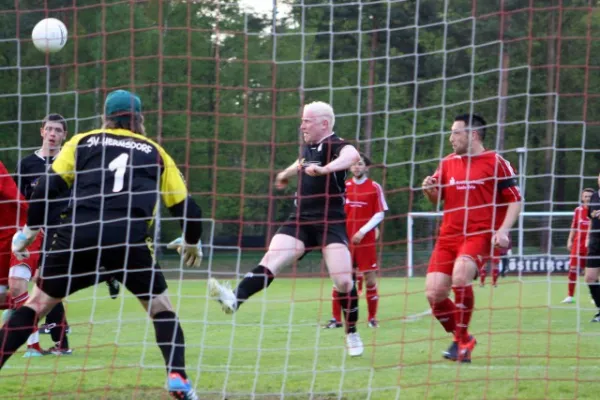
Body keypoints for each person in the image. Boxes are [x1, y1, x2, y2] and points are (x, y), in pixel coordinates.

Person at [1, 90, 203, 400]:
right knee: (161, 309)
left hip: (78, 236)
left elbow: (45, 189)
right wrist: (192, 242)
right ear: (140, 120)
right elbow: (189, 210)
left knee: (37, 304)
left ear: (104, 118)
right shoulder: (155, 151)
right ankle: (178, 376)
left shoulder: (84, 141)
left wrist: (28, 231)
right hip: (128, 242)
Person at [208, 101, 364, 356]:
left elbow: (352, 156)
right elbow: (301, 162)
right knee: (272, 258)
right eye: (302, 120)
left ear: (324, 124)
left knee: (344, 281)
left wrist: (325, 169)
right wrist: (285, 174)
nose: (302, 124)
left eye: (307, 121)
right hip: (300, 219)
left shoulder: (336, 145)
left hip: (329, 222)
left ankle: (352, 332)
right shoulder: (308, 147)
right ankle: (234, 299)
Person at [422, 113, 522, 363]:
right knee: (434, 294)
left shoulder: (496, 161)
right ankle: (464, 338)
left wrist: (503, 230)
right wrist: (430, 192)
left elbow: (515, 200)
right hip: (447, 236)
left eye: (456, 132)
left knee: (460, 276)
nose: (450, 138)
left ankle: (459, 342)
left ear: (473, 134)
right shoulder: (446, 163)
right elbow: (438, 199)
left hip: (478, 234)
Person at [324, 154, 387, 329]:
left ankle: (372, 318)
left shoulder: (374, 187)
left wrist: (362, 231)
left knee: (370, 280)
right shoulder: (343, 187)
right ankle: (336, 319)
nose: (357, 167)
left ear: (366, 167)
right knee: (340, 279)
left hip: (365, 240)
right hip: (344, 240)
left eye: (360, 164)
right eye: (354, 164)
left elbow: (380, 213)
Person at [562, 188, 593, 304]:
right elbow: (574, 226)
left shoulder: (597, 210)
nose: (588, 199)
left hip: (591, 246)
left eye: (590, 196)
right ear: (582, 197)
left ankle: (594, 296)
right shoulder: (578, 210)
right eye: (586, 196)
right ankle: (570, 296)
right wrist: (569, 240)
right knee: (573, 270)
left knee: (591, 273)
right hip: (577, 246)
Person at [585, 175, 600, 322]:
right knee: (590, 277)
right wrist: (589, 239)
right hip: (595, 242)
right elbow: (591, 218)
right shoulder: (595, 196)